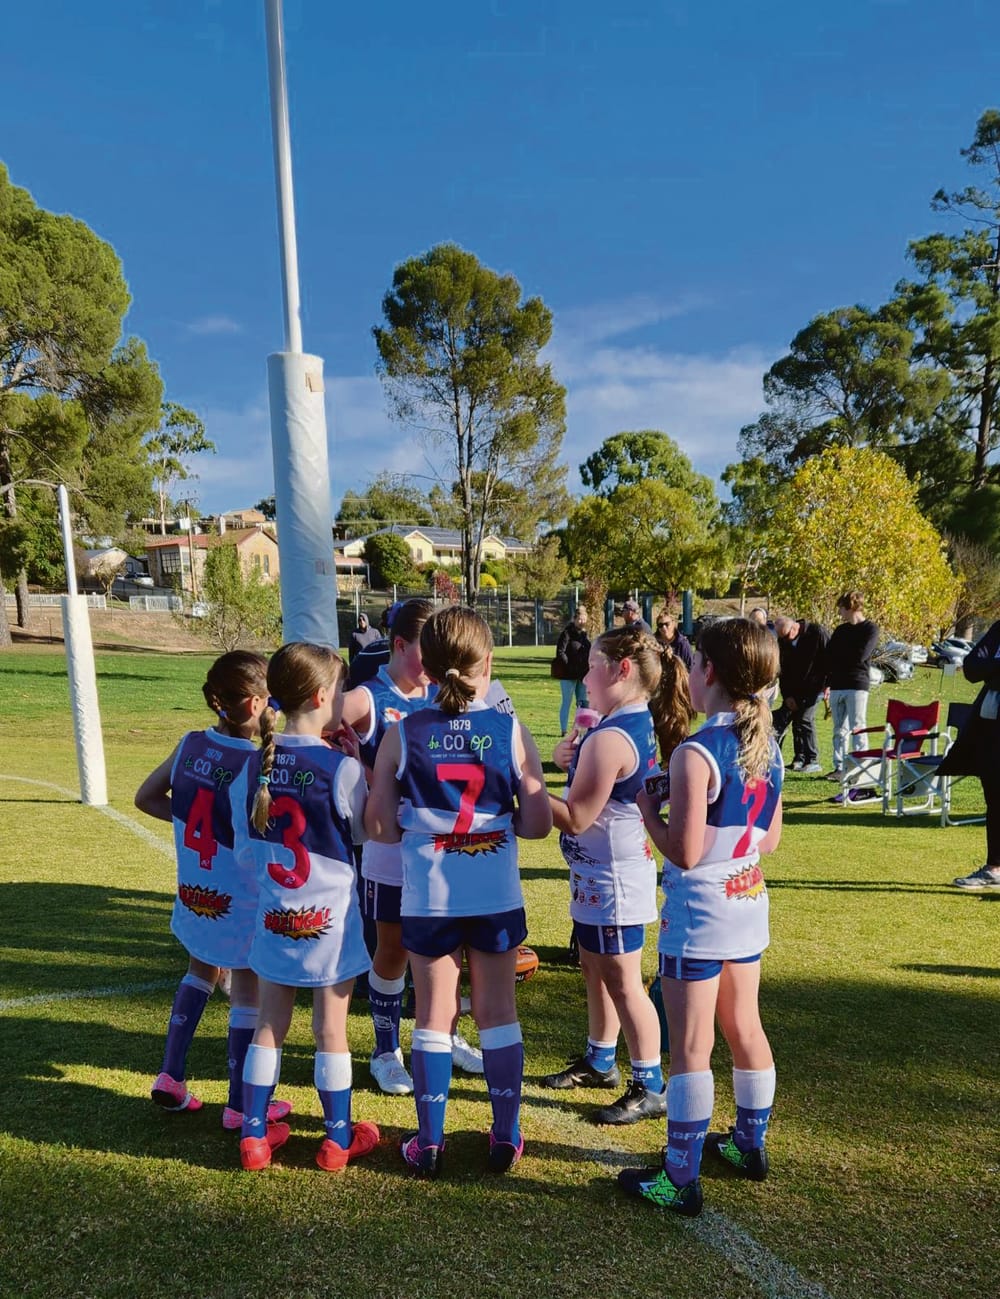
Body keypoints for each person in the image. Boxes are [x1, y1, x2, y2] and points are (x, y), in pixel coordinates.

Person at [365, 606, 551, 1177]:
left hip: (429, 897)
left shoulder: (402, 732)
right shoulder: (510, 730)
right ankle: (506, 1135)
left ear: (426, 666)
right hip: (494, 893)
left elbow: (378, 828)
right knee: (498, 1012)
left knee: (434, 1013)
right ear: (486, 663)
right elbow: (538, 823)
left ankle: (430, 1143)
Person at [621, 618, 783, 1217]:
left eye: (693, 663)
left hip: (701, 909)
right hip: (748, 898)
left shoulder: (695, 751)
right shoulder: (767, 743)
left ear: (708, 670)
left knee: (691, 1046)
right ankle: (748, 1145)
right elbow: (769, 841)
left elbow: (684, 853)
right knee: (745, 1026)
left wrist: (648, 806)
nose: (688, 671)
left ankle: (679, 1176)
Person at [230, 643, 379, 1172]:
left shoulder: (253, 765)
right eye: (340, 690)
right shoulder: (341, 769)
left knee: (269, 1024)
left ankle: (253, 1135)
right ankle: (337, 1139)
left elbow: (244, 851)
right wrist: (358, 767)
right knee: (330, 1030)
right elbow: (363, 833)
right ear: (321, 696)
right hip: (329, 924)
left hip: (274, 917)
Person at [134, 651, 292, 1133]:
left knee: (199, 970)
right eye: (270, 699)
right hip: (239, 895)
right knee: (246, 991)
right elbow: (261, 837)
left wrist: (188, 825)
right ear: (254, 703)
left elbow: (145, 797)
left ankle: (170, 1074)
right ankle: (239, 1105)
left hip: (196, 889)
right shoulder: (255, 762)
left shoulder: (190, 744)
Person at [342, 598, 481, 1093]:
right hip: (391, 850)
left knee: (450, 949)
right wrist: (361, 770)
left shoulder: (443, 691)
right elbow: (311, 720)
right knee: (394, 948)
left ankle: (447, 1034)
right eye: (428, 648)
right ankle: (385, 1050)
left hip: (443, 848)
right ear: (400, 646)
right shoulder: (369, 697)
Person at [544, 626, 674, 1127]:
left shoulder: (612, 737)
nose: (584, 676)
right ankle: (600, 1060)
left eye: (593, 665)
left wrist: (525, 784)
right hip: (598, 874)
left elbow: (576, 817)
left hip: (614, 879)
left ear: (622, 670)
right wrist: (566, 761)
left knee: (624, 982)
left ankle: (651, 1083)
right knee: (594, 968)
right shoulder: (622, 723)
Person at [942, 619, 1000, 890]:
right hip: (992, 728)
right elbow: (972, 668)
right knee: (996, 798)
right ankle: (994, 868)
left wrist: (993, 668)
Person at [824, 592, 879, 786]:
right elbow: (829, 655)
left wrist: (841, 656)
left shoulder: (870, 629)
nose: (839, 612)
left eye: (841, 607)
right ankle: (840, 768)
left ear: (850, 607)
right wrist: (828, 681)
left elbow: (861, 655)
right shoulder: (841, 630)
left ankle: (861, 768)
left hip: (857, 685)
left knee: (858, 727)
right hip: (837, 685)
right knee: (839, 730)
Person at [771, 615, 829, 773]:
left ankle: (812, 759)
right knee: (794, 720)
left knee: (804, 719)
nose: (785, 640)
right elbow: (783, 670)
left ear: (794, 628)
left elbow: (829, 659)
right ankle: (799, 758)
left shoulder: (817, 632)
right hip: (794, 690)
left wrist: (828, 685)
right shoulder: (784, 641)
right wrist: (787, 696)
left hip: (815, 688)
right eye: (782, 637)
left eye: (786, 636)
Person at [553, 606, 591, 735]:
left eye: (584, 619)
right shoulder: (567, 633)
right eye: (579, 619)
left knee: (583, 702)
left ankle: (581, 729)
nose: (582, 621)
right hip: (568, 675)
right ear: (574, 619)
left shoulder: (585, 635)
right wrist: (569, 665)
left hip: (582, 674)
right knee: (567, 702)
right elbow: (560, 652)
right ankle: (564, 730)